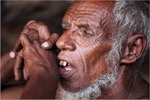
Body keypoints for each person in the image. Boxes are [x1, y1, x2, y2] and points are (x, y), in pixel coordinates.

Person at [1, 0, 149, 99]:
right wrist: (20, 50)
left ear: (131, 49)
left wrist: (43, 73)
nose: (61, 42)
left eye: (86, 32)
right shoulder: (62, 93)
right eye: (65, 28)